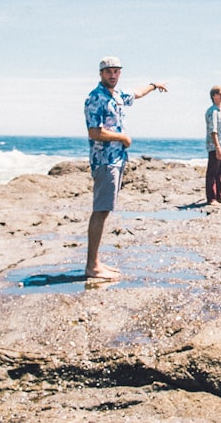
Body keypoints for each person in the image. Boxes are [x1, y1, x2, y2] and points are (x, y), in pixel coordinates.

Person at [83, 56, 167, 279]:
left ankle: (96, 262)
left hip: (117, 160)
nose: (113, 75)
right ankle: (92, 266)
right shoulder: (95, 98)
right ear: (101, 73)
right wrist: (122, 137)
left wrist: (153, 85)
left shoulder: (117, 95)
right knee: (100, 211)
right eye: (108, 71)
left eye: (116, 71)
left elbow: (136, 94)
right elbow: (94, 132)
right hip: (104, 161)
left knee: (105, 210)